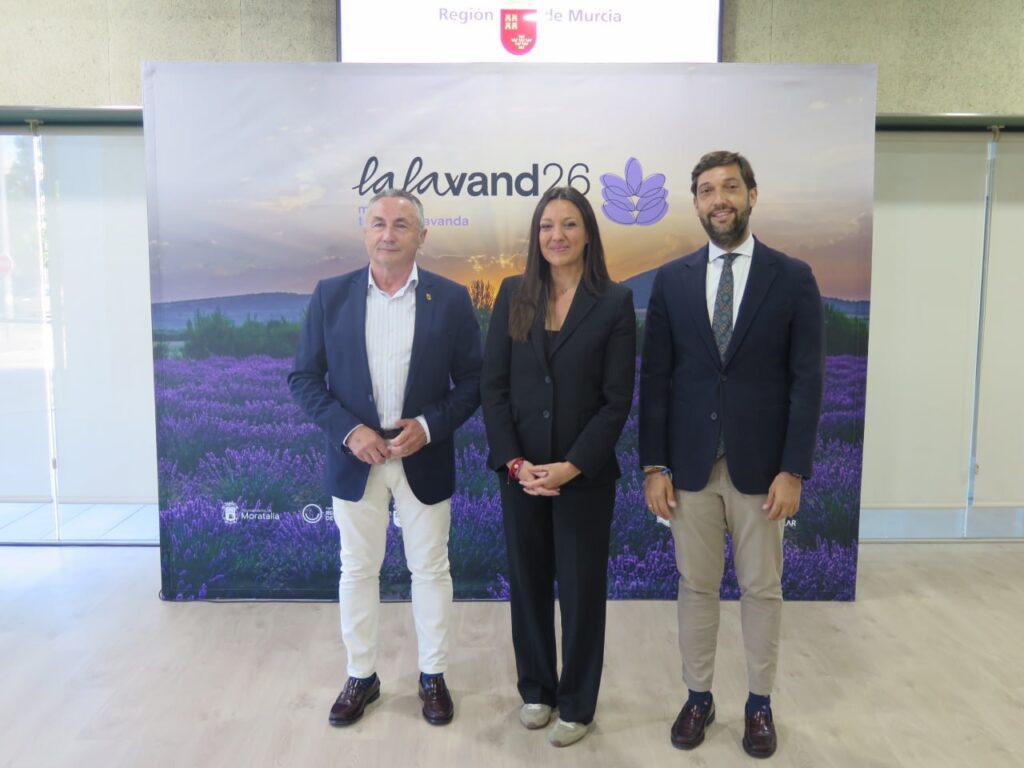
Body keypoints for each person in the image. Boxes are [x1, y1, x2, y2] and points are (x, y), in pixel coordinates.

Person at [639, 151, 824, 758]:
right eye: (707, 190)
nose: (719, 199)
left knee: (761, 589)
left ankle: (759, 704)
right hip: (689, 467)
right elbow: (658, 379)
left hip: (761, 469)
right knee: (695, 587)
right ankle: (698, 697)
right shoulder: (672, 279)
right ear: (695, 202)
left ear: (752, 195)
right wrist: (653, 465)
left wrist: (793, 468)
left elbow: (807, 380)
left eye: (730, 188)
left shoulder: (791, 276)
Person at [289, 188, 482, 727]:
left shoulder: (450, 298)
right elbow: (303, 379)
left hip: (425, 457)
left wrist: (428, 425)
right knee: (357, 570)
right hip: (357, 461)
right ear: (364, 232)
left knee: (431, 570)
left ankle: (433, 676)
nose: (388, 234)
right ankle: (361, 675)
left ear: (422, 235)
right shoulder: (331, 296)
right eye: (378, 223)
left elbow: (473, 381)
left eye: (401, 224)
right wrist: (349, 432)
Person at [481, 186, 636, 748]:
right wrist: (516, 462)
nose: (557, 236)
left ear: (588, 233)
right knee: (526, 585)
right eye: (547, 226)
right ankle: (537, 691)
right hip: (521, 474)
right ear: (535, 235)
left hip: (583, 478)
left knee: (580, 590)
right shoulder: (512, 294)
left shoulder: (614, 303)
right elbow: (493, 386)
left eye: (569, 225)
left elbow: (617, 400)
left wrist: (571, 466)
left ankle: (576, 703)